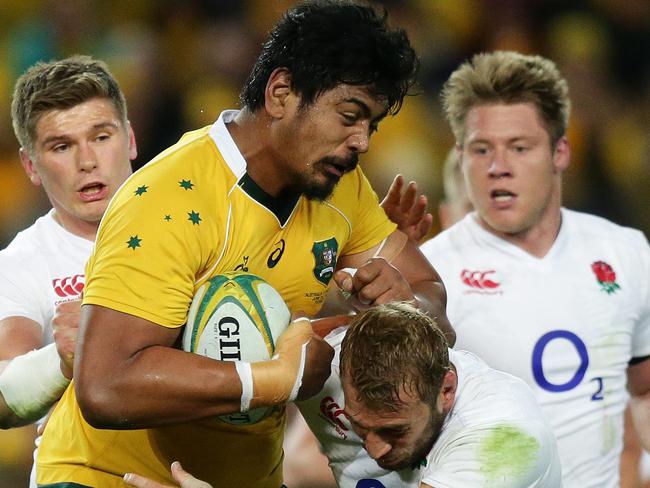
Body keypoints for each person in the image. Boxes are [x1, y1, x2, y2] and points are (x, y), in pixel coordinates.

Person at [36, 2, 452, 487]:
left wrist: (407, 307)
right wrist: (272, 380)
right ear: (281, 93)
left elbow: (431, 297)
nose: (362, 141)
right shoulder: (168, 197)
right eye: (350, 116)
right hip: (107, 476)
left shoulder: (342, 187)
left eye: (372, 125)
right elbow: (104, 386)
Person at [420, 50, 650, 487]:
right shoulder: (431, 275)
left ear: (560, 151)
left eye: (519, 148)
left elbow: (644, 389)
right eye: (481, 149)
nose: (497, 168)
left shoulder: (625, 253)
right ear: (460, 155)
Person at [126, 303, 561, 488]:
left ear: (446, 389)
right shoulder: (325, 363)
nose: (373, 448)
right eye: (358, 424)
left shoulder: (503, 436)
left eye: (393, 430)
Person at [0, 55, 137, 484]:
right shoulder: (22, 264)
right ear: (30, 166)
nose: (87, 161)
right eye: (61, 146)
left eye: (100, 136)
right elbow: (3, 395)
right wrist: (61, 360)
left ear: (130, 139)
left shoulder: (199, 225)